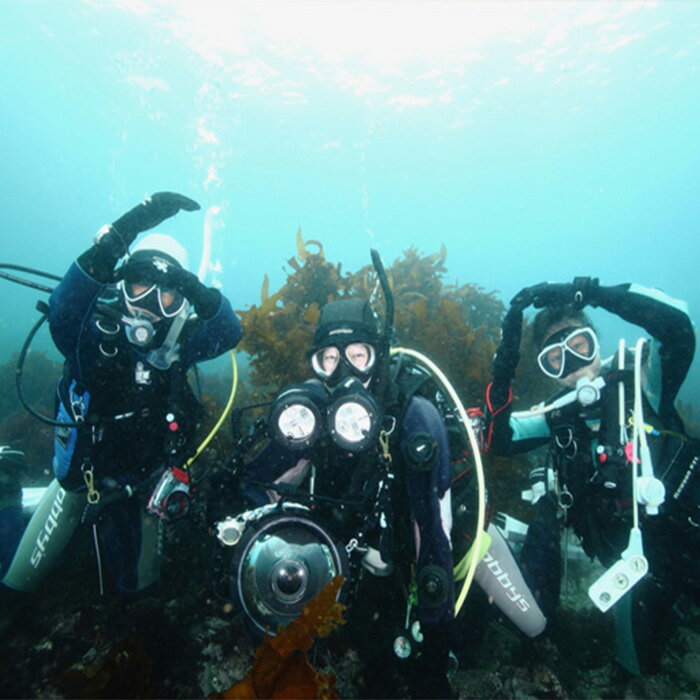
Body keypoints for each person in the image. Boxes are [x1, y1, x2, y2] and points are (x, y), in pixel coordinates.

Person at [211, 295, 546, 698]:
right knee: (371, 660)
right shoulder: (308, 414)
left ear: (378, 357)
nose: (345, 370)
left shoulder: (414, 414)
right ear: (315, 364)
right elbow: (256, 493)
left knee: (531, 627)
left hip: (448, 548)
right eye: (330, 359)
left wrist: (435, 648)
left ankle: (535, 528)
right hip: (365, 560)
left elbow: (431, 532)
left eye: (358, 355)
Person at [1, 192, 242, 596]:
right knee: (14, 584)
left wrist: (193, 287)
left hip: (143, 486)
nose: (150, 303)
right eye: (140, 284)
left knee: (139, 592)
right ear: (122, 285)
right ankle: (9, 489)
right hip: (81, 481)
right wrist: (121, 234)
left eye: (167, 294)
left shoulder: (179, 346)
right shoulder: (93, 335)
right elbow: (63, 311)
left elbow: (229, 331)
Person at [485, 276, 700, 675]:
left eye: (579, 347)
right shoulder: (555, 417)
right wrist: (506, 358)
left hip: (690, 537)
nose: (573, 367)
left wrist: (592, 293)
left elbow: (679, 328)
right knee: (635, 664)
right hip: (635, 572)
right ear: (547, 369)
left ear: (595, 342)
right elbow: (498, 437)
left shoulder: (643, 384)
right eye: (556, 359)